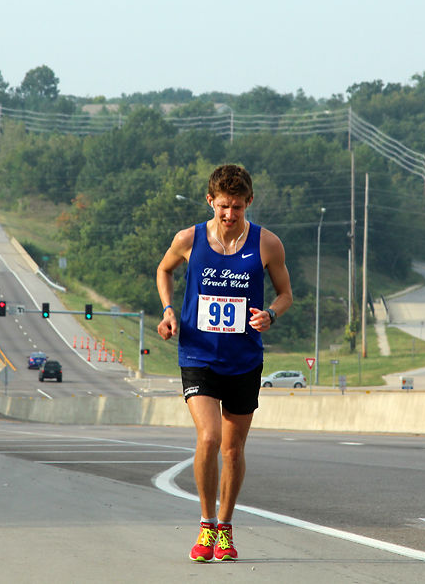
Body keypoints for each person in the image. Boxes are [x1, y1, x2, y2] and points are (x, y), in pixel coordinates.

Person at [156, 164, 293, 562]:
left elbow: (286, 294)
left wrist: (271, 314)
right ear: (210, 201)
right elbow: (164, 270)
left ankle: (226, 529)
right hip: (198, 354)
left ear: (249, 202)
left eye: (236, 207)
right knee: (209, 438)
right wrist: (168, 312)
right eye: (222, 207)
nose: (229, 215)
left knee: (232, 450)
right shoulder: (188, 238)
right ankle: (205, 524)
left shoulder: (267, 244)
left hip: (245, 359)